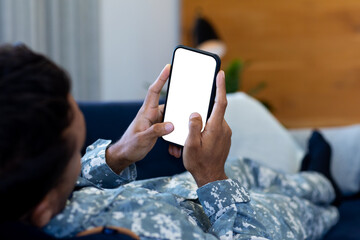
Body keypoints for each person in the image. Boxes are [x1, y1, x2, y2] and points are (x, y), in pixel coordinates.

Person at [0, 44, 338, 240]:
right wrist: (212, 177)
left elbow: (69, 184)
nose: (79, 154)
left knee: (248, 170)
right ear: (42, 210)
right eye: (76, 150)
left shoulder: (26, 188)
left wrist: (117, 154)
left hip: (181, 191)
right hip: (243, 222)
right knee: (307, 202)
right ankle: (326, 183)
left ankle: (313, 176)